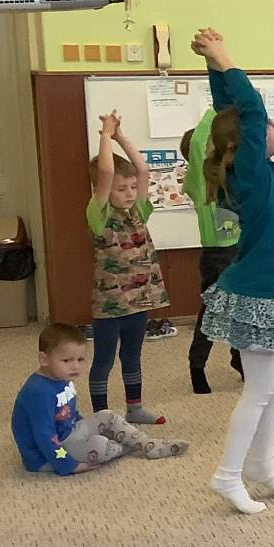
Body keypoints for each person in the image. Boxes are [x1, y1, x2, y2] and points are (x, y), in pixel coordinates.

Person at [194, 27, 274, 515]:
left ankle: (262, 467)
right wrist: (226, 57)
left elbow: (231, 114)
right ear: (250, 143)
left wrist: (212, 67)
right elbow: (250, 112)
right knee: (260, 389)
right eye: (269, 127)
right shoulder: (253, 177)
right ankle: (228, 475)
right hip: (253, 295)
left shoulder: (268, 172)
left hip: (266, 292)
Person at [13, 322, 188, 475]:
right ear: (44, 359)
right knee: (99, 446)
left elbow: (69, 413)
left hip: (69, 433)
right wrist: (68, 465)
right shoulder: (38, 392)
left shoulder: (61, 378)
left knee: (106, 415)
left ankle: (147, 443)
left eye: (80, 359)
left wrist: (88, 427)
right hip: (47, 455)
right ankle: (129, 447)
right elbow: (45, 438)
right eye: (66, 361)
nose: (75, 366)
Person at [86, 109, 169, 424]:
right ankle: (101, 416)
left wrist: (120, 135)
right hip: (111, 305)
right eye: (122, 190)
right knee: (104, 360)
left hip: (139, 299)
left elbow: (143, 169)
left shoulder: (139, 211)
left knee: (132, 356)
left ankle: (134, 408)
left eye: (132, 188)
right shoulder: (100, 215)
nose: (130, 194)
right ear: (102, 191)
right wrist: (106, 136)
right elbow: (106, 172)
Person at [182, 109, 243, 393]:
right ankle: (197, 366)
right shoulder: (198, 184)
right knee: (212, 312)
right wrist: (216, 109)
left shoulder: (232, 177)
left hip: (240, 251)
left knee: (242, 310)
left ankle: (240, 359)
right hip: (217, 256)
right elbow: (198, 146)